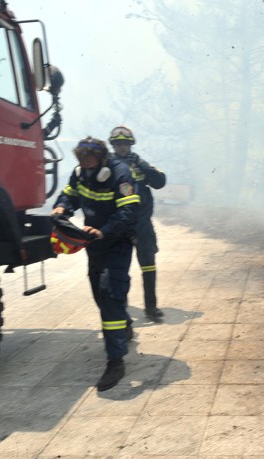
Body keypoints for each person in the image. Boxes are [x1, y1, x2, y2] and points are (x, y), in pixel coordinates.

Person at [52, 137, 140, 391]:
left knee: (110, 293)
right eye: (82, 163)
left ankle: (116, 361)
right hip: (94, 244)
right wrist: (61, 209)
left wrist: (105, 231)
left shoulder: (120, 174)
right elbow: (68, 196)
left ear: (103, 159)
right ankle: (124, 325)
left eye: (91, 163)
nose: (87, 168)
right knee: (99, 295)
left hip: (117, 241)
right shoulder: (81, 174)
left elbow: (129, 213)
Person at [108, 126, 167, 321]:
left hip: (142, 223)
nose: (122, 147)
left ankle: (151, 306)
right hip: (120, 225)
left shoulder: (139, 164)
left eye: (125, 143)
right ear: (113, 145)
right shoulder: (108, 166)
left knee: (148, 265)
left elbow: (160, 182)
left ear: (131, 145)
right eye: (118, 144)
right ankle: (120, 307)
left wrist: (143, 166)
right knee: (119, 269)